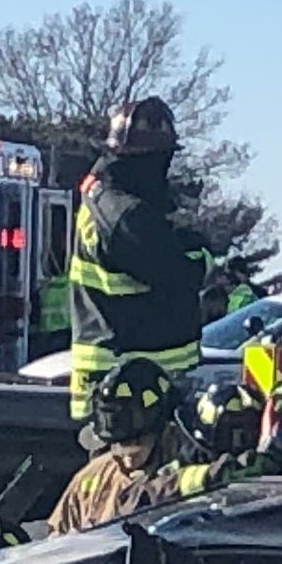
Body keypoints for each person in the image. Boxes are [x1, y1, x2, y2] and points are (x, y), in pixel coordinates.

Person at [61, 96, 210, 425]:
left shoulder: (100, 196)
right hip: (135, 384)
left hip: (119, 377)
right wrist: (201, 255)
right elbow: (179, 275)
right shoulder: (128, 216)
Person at [45, 356, 282, 533]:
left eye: (137, 444)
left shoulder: (190, 459)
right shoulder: (91, 480)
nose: (127, 457)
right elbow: (54, 542)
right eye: (118, 446)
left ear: (163, 430)